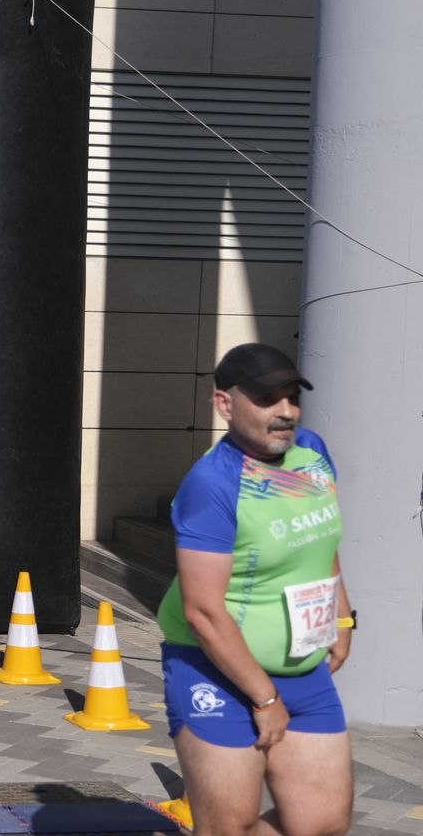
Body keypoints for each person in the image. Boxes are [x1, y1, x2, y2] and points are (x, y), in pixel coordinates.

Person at [157, 343, 353, 836]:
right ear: (226, 404)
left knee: (322, 823)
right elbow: (202, 611)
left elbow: (319, 537)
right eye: (268, 400)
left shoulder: (312, 451)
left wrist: (342, 615)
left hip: (301, 668)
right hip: (214, 671)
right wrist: (265, 699)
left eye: (291, 397)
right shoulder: (212, 484)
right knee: (229, 828)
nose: (285, 412)